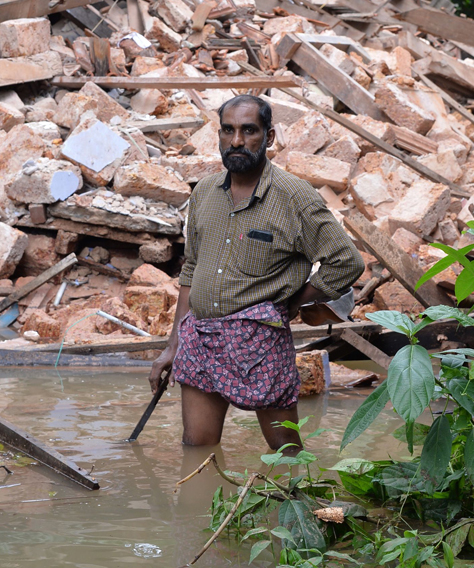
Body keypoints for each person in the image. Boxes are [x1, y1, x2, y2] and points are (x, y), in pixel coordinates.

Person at [148, 95, 364, 452]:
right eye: (228, 130)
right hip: (200, 337)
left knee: (286, 451)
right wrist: (173, 345)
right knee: (196, 446)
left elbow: (346, 262)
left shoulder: (294, 197)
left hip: (260, 342)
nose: (236, 141)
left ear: (269, 136)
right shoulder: (205, 192)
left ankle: (296, 491)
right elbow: (191, 268)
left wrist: (294, 302)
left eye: (248, 131)